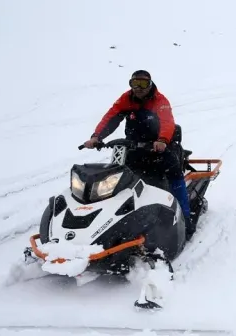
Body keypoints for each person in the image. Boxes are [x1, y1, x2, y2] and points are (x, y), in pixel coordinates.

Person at [83, 70, 195, 237]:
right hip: (133, 146)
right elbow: (111, 117)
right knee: (117, 176)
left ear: (150, 84)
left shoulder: (160, 100)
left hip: (159, 146)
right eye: (135, 83)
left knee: (174, 173)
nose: (139, 88)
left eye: (143, 83)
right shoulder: (126, 99)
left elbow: (167, 121)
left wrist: (163, 140)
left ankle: (185, 218)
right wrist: (96, 136)